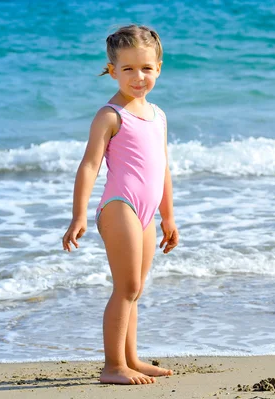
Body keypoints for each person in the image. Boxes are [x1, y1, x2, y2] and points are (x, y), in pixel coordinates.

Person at [62, 24, 179, 385]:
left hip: (146, 211)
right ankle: (113, 365)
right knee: (125, 287)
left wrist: (168, 217)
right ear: (112, 71)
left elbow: (162, 169)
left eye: (146, 68)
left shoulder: (158, 116)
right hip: (120, 205)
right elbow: (89, 165)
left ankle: (132, 358)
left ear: (159, 67)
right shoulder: (111, 115)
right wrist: (78, 213)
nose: (138, 77)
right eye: (127, 69)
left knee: (136, 289)